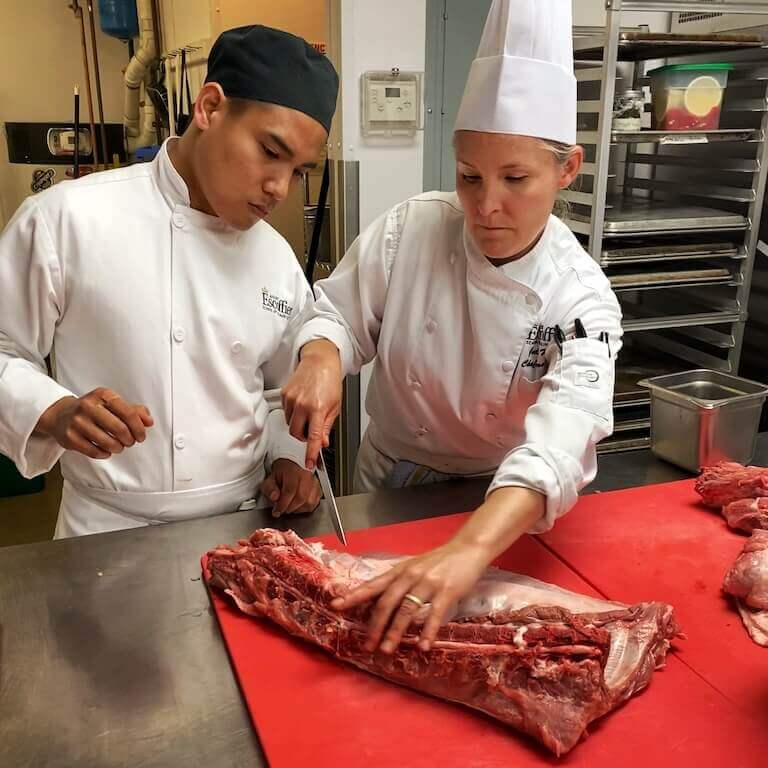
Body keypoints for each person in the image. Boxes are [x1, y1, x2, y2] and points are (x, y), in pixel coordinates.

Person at [282, 0, 623, 653]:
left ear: (567, 170)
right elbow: (338, 315)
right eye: (468, 176)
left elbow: (560, 444)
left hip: (501, 506)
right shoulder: (413, 227)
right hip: (386, 486)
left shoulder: (580, 299)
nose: (486, 206)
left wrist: (469, 548)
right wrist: (322, 356)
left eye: (516, 179)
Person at [0, 25, 338, 537]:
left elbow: (278, 391)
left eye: (298, 171)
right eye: (270, 152)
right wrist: (53, 411)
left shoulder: (274, 255)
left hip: (244, 527)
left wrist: (291, 459)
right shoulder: (66, 219)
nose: (279, 188)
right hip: (103, 529)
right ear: (208, 107)